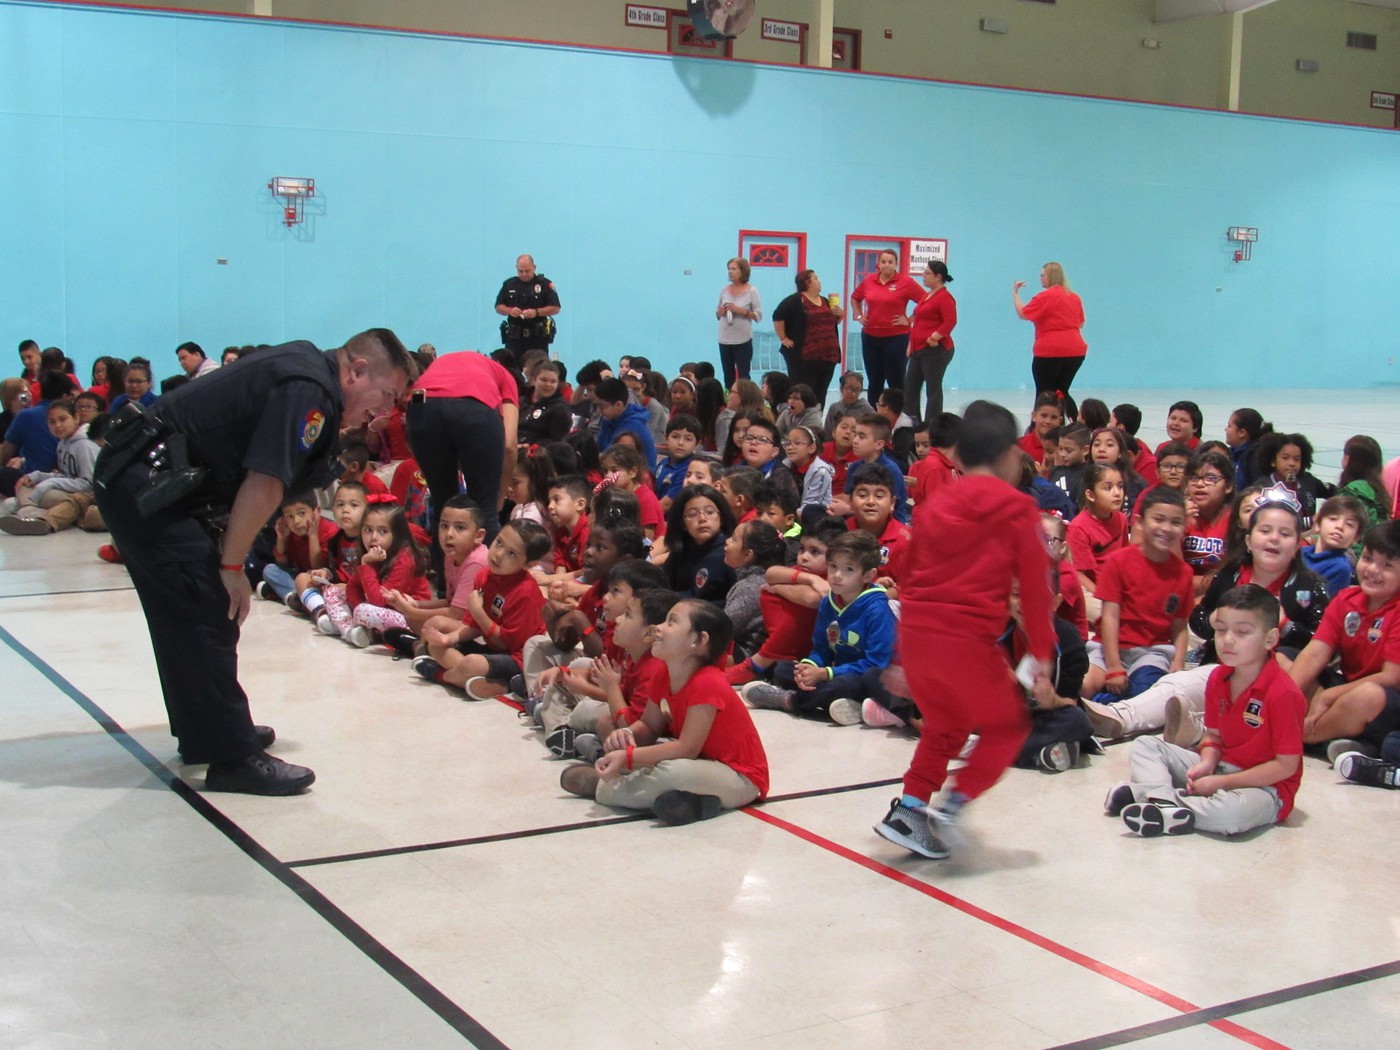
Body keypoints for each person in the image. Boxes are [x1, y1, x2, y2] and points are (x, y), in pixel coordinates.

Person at [93, 329, 416, 794]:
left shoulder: (309, 367)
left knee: (186, 612)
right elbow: (265, 482)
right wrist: (231, 568)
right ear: (357, 370)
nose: (383, 411)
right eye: (385, 394)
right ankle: (232, 756)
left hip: (146, 478)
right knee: (207, 611)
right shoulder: (310, 389)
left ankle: (206, 733)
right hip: (151, 487)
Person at [874, 400, 1056, 860]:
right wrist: (1044, 655)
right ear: (1007, 455)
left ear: (958, 456)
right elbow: (1035, 592)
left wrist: (899, 657)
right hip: (966, 643)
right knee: (1008, 726)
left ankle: (910, 810)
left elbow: (910, 576)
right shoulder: (1018, 509)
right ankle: (952, 806)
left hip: (917, 638)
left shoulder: (936, 506)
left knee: (946, 726)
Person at [1105, 584, 1306, 837]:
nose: (1227, 640)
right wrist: (1208, 763)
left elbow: (1285, 767)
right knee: (1147, 746)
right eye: (1221, 630)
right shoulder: (1218, 677)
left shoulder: (1283, 693)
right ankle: (1163, 803)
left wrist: (1222, 783)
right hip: (1222, 766)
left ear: (1270, 639)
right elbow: (1214, 736)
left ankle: (1155, 798)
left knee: (1230, 814)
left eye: (1242, 632)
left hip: (1267, 789)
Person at [559, 598, 770, 825]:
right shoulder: (664, 673)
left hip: (741, 777)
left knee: (673, 770)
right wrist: (628, 735)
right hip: (702, 763)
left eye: (672, 622)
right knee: (659, 751)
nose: (658, 627)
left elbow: (687, 748)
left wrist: (628, 757)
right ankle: (692, 803)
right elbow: (649, 727)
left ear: (698, 640)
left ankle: (605, 788)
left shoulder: (709, 682)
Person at [415, 520, 552, 699]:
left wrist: (478, 612)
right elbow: (473, 626)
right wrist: (448, 639)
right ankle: (483, 681)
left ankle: (443, 675)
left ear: (528, 564)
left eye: (512, 553)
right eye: (499, 542)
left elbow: (507, 644)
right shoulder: (484, 575)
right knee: (436, 639)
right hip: (491, 647)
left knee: (470, 663)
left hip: (519, 658)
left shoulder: (525, 592)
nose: (499, 554)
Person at [406, 349, 518, 566]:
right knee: (484, 509)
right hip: (473, 405)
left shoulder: (447, 362)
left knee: (443, 504)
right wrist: (500, 496)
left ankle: (444, 587)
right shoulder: (506, 377)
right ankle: (486, 586)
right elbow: (510, 445)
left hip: (421, 403)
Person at [0, 398, 100, 535]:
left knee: (44, 493)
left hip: (87, 495)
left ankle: (30, 510)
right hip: (72, 489)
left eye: (62, 419)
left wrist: (50, 483)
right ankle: (28, 507)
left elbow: (89, 483)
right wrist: (36, 476)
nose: (57, 425)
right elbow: (65, 475)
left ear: (76, 418)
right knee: (25, 484)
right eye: (52, 422)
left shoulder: (83, 445)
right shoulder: (64, 443)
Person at [850, 250, 922, 402]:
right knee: (875, 381)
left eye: (890, 262)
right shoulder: (869, 281)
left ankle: (898, 417)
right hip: (870, 337)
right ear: (878, 264)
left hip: (896, 338)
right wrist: (858, 316)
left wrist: (909, 320)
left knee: (896, 381)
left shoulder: (905, 282)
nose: (887, 265)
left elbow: (925, 301)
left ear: (896, 264)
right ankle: (873, 417)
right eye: (883, 262)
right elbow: (855, 298)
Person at [1012, 261, 1088, 400]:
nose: (1040, 278)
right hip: (1076, 350)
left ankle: (1040, 421)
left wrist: (1015, 294)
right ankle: (1073, 420)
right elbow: (1081, 323)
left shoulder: (1044, 297)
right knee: (1062, 391)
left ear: (1050, 277)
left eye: (1042, 275)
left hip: (1049, 351)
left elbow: (1023, 313)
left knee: (1044, 393)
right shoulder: (1074, 297)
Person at [772, 269, 844, 404]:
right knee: (803, 393)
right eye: (816, 278)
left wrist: (840, 314)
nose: (819, 281)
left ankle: (816, 421)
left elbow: (832, 322)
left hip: (828, 356)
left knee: (820, 395)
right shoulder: (795, 300)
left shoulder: (825, 301)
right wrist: (783, 338)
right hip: (804, 358)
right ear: (807, 282)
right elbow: (778, 316)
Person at [904, 260, 956, 426]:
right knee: (910, 387)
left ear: (938, 277)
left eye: (927, 273)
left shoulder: (945, 298)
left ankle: (932, 425)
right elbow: (917, 321)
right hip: (918, 349)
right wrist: (911, 344)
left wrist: (935, 337)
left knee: (932, 389)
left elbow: (950, 321)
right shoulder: (927, 296)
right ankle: (913, 423)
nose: (923, 277)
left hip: (935, 350)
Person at [495, 254, 560, 365]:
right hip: (515, 338)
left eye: (527, 271)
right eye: (520, 271)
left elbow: (555, 308)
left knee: (539, 369)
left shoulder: (544, 284)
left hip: (537, 339)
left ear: (534, 267)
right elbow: (498, 306)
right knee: (511, 370)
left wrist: (536, 313)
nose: (524, 274)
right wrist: (510, 311)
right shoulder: (509, 284)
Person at [715, 257, 763, 384]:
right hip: (724, 338)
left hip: (743, 339)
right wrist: (721, 310)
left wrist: (740, 311)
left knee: (743, 375)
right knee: (728, 374)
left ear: (743, 271)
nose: (730, 272)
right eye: (729, 269)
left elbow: (758, 316)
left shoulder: (752, 291)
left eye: (734, 269)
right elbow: (717, 313)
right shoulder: (724, 289)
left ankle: (745, 400)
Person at [515, 360, 572, 445]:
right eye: (544, 380)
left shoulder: (560, 409)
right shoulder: (521, 402)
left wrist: (530, 447)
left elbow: (557, 442)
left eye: (553, 381)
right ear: (534, 380)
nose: (548, 385)